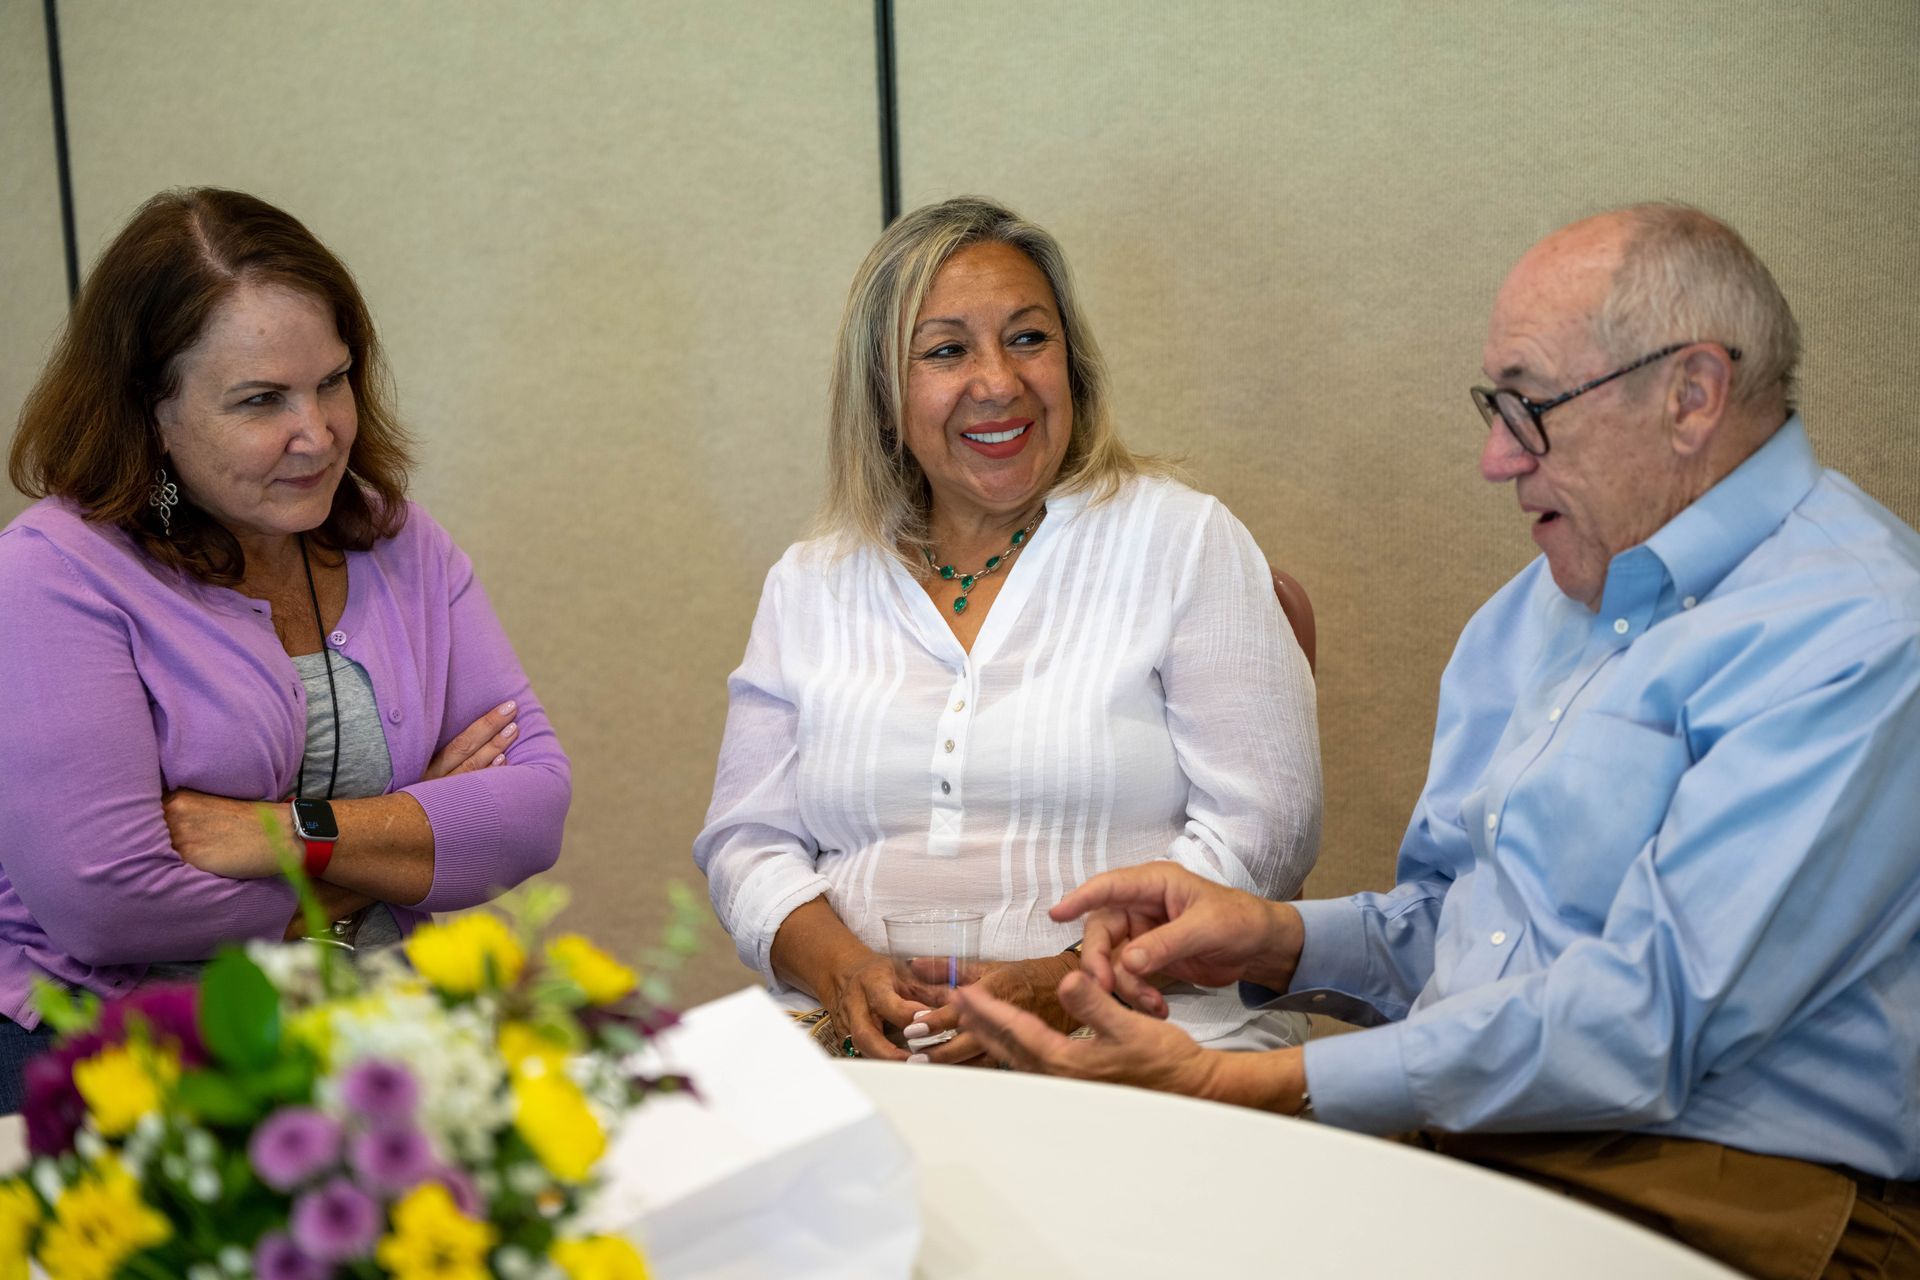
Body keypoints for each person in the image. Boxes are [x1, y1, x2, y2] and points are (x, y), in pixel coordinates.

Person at [956, 204, 1920, 1277]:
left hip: (1737, 1193)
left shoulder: (1858, 634)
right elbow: (1466, 937)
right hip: (1485, 1145)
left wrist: (1254, 1085)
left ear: (1691, 395)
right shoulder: (1531, 615)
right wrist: (1273, 938)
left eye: (1528, 406)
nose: (1494, 458)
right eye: (1491, 406)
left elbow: (1647, 1020)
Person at [695, 196, 1320, 1065]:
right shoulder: (813, 580)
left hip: (1140, 1031)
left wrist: (1061, 986)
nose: (999, 381)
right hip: (853, 1039)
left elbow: (1266, 831)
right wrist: (847, 975)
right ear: (884, 396)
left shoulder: (1182, 540)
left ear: (1074, 364)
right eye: (947, 351)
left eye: (1028, 338)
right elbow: (747, 841)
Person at [0, 189, 571, 1110]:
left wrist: (278, 835)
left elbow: (532, 808)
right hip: (136, 1063)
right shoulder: (54, 577)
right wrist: (402, 835)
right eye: (262, 400)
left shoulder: (395, 539)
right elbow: (107, 905)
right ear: (152, 414)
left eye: (334, 381)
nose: (319, 434)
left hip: (380, 1035)